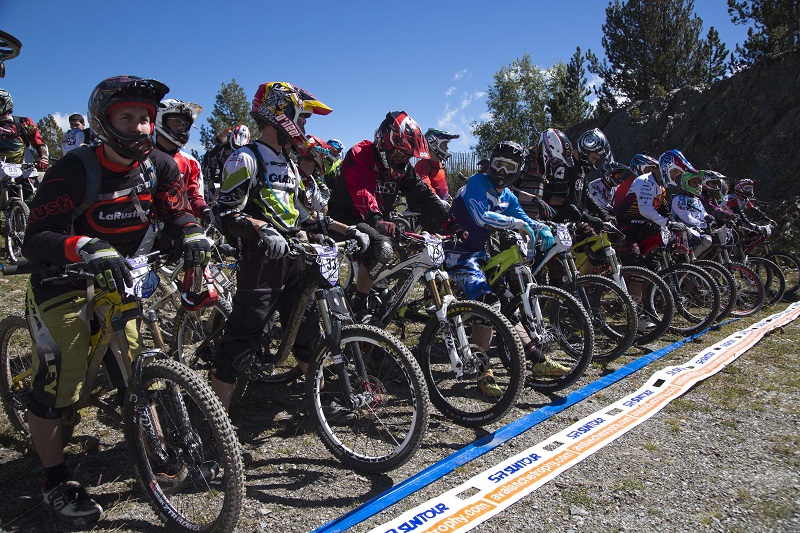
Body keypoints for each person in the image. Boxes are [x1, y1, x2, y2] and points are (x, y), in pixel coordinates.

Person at [21, 75, 211, 525]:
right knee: (60, 383)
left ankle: (156, 449)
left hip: (120, 280)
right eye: (128, 117)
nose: (142, 127)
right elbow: (36, 238)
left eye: (146, 118)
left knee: (136, 366)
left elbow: (176, 208)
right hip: (62, 282)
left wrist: (192, 231)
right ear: (103, 123)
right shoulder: (72, 169)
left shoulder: (160, 166)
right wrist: (83, 245)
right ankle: (55, 479)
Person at [211, 82, 369, 416]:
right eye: (304, 119)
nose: (306, 128)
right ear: (282, 115)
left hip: (295, 258)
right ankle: (213, 426)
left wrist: (347, 229)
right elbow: (225, 214)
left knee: (310, 331)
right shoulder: (245, 158)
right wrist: (261, 228)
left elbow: (308, 214)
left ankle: (320, 405)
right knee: (239, 347)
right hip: (260, 263)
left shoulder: (290, 164)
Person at [444, 140, 567, 378]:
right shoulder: (477, 181)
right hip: (456, 253)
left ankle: (537, 358)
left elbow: (525, 219)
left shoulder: (507, 196)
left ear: (518, 170)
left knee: (509, 303)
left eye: (508, 167)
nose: (501, 171)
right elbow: (482, 217)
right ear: (490, 162)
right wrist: (516, 223)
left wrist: (542, 228)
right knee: (489, 302)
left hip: (479, 254)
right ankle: (482, 371)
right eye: (498, 164)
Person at [327, 111, 449, 317]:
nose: (403, 161)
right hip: (347, 218)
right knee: (382, 246)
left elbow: (423, 194)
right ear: (385, 144)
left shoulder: (402, 168)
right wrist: (377, 219)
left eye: (407, 157)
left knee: (406, 251)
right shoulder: (360, 153)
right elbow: (361, 191)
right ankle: (360, 304)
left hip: (376, 219)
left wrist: (451, 220)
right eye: (400, 154)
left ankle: (378, 292)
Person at [153, 98, 210, 224]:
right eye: (176, 122)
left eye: (185, 124)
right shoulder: (142, 156)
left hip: (176, 225)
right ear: (160, 120)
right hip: (142, 226)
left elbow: (194, 197)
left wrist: (204, 210)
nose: (181, 128)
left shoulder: (191, 163)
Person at [0, 87, 49, 170]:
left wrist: (43, 158)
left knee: (37, 182)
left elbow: (39, 143)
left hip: (23, 168)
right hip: (1, 169)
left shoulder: (24, 122)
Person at [671, 170, 714, 257]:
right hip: (679, 233)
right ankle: (688, 264)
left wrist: (708, 218)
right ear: (686, 183)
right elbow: (687, 218)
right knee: (707, 240)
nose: (698, 185)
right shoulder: (679, 199)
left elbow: (703, 213)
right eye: (694, 182)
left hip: (695, 231)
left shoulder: (696, 200)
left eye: (699, 182)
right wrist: (705, 225)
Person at [415, 128, 459, 201]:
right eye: (444, 144)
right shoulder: (422, 165)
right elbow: (426, 188)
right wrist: (439, 202)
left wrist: (446, 195)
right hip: (426, 208)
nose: (447, 148)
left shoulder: (441, 166)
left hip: (440, 207)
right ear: (433, 144)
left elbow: (443, 186)